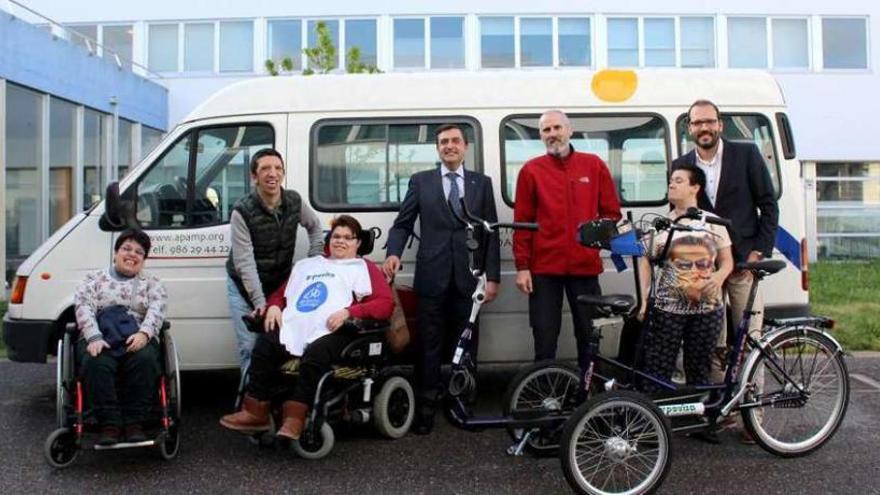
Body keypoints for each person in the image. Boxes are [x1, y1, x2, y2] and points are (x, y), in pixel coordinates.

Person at [220, 215, 394, 440]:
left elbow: (385, 304)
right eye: (336, 236)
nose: (340, 241)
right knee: (264, 345)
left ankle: (295, 417)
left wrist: (349, 312)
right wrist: (273, 306)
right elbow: (282, 294)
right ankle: (256, 412)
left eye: (347, 238)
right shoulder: (308, 265)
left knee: (316, 353)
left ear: (358, 243)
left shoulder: (364, 268)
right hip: (297, 326)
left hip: (339, 330)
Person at [672, 99, 779, 443]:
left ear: (720, 125)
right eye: (696, 123)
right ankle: (719, 414)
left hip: (746, 264)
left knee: (750, 340)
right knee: (711, 343)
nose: (704, 128)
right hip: (706, 267)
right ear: (689, 128)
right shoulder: (682, 164)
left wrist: (759, 250)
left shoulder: (746, 155)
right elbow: (682, 211)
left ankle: (754, 418)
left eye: (709, 122)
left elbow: (768, 206)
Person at [383, 124, 500, 435]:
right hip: (431, 276)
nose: (450, 146)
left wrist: (492, 278)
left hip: (469, 278)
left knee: (467, 345)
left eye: (455, 141)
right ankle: (426, 406)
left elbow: (491, 232)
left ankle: (462, 402)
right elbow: (402, 223)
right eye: (444, 142)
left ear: (465, 147)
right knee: (428, 346)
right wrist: (393, 252)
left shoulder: (481, 183)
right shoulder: (421, 182)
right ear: (438, 148)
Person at [513, 110, 621, 373]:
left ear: (569, 130)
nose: (552, 134)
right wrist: (522, 267)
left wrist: (592, 237)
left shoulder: (593, 165)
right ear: (540, 135)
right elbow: (522, 223)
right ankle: (545, 393)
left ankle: (589, 391)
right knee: (544, 336)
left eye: (557, 128)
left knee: (588, 335)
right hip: (543, 270)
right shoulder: (530, 170)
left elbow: (611, 213)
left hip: (584, 267)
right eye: (546, 130)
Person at [226, 148, 324, 375]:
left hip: (280, 283)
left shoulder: (294, 200)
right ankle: (252, 406)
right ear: (254, 177)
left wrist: (315, 260)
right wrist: (260, 302)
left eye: (278, 168)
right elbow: (244, 262)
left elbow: (315, 226)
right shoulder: (242, 211)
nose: (273, 174)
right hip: (243, 285)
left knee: (283, 343)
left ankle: (275, 401)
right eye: (265, 169)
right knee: (250, 347)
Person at [637, 166, 733, 392]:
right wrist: (643, 300)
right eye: (671, 180)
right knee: (657, 368)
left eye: (679, 181)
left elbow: (727, 261)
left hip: (707, 309)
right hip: (667, 309)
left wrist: (718, 277)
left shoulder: (713, 223)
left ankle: (699, 418)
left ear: (695, 188)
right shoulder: (660, 225)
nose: (671, 184)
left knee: (699, 368)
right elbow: (645, 262)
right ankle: (656, 417)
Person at [74, 229, 168, 446]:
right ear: (115, 252)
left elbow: (157, 308)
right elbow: (83, 306)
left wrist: (144, 334)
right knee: (96, 362)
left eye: (139, 252)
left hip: (135, 336)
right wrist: (93, 337)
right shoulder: (94, 279)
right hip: (100, 335)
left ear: (143, 260)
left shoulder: (151, 282)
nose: (132, 254)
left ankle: (135, 423)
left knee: (144, 360)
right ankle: (110, 425)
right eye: (126, 248)